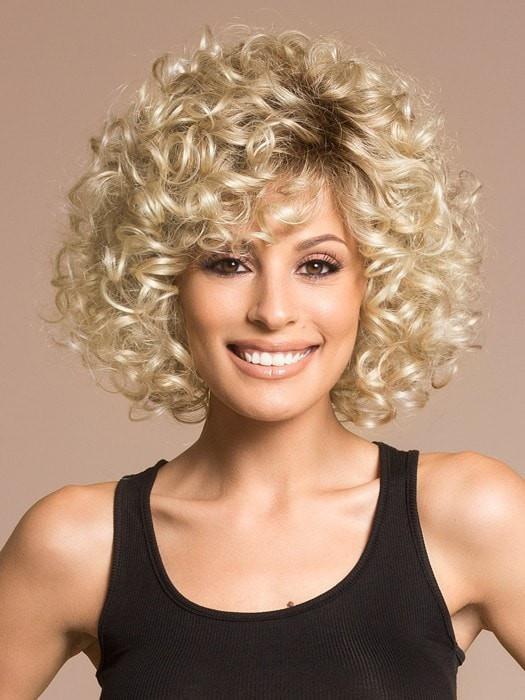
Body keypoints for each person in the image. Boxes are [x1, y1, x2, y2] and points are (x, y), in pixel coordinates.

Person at [1, 23, 524, 699]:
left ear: (374, 285)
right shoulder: (77, 544)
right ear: (165, 281)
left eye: (317, 265)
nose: (273, 311)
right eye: (227, 262)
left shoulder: (469, 515)